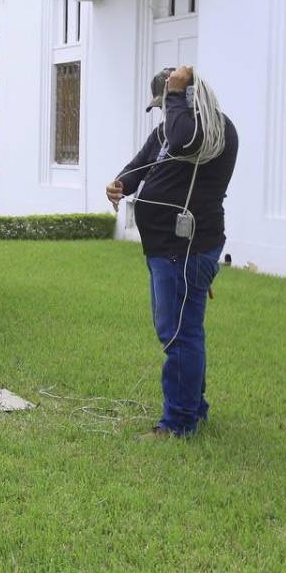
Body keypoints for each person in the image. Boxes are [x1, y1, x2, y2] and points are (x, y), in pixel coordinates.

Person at [106, 65, 238, 439]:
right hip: (167, 249)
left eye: (167, 103)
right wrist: (120, 184)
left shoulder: (210, 129)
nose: (164, 112)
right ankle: (194, 408)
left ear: (187, 96)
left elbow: (181, 140)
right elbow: (141, 165)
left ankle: (179, 424)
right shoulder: (171, 128)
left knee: (179, 332)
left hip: (186, 248)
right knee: (184, 329)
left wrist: (177, 93)